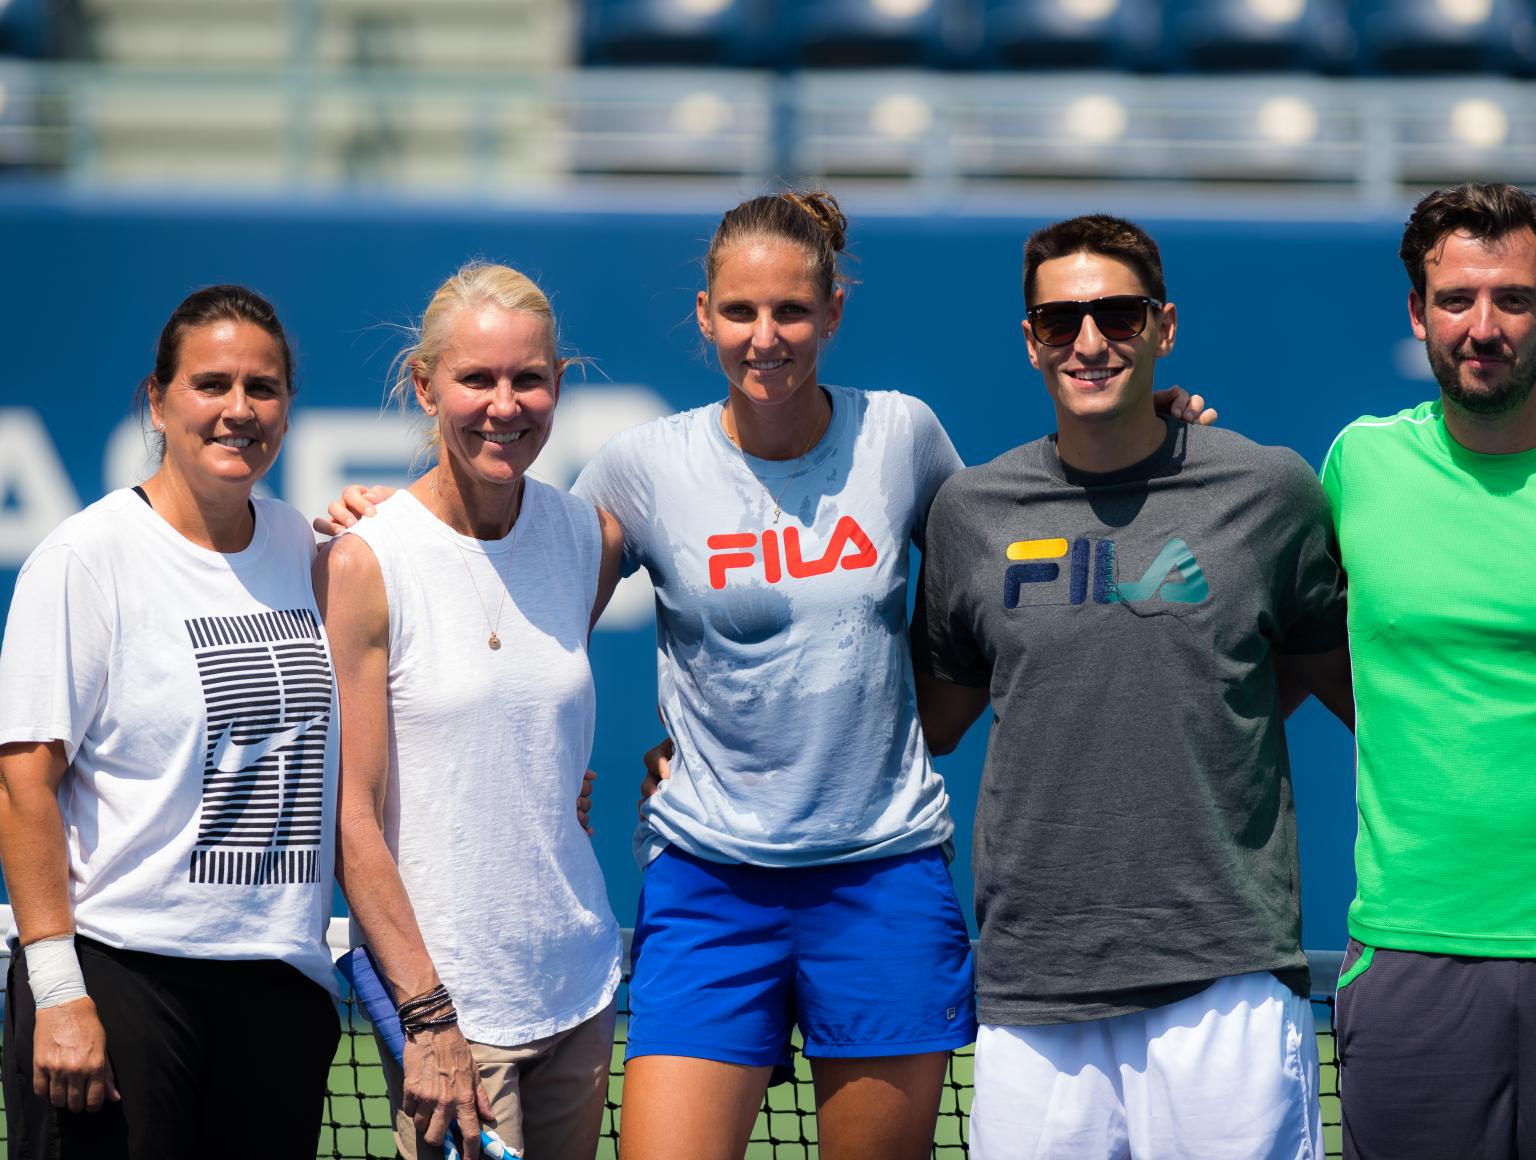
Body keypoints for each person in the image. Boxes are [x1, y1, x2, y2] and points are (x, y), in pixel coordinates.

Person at [323, 193, 1214, 1160]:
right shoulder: (641, 468)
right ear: (704, 316)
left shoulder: (902, 437)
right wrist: (395, 524)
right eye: (741, 312)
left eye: (791, 311)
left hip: (883, 879)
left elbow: (1021, 528)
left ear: (832, 313)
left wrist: (1146, 428)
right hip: (707, 887)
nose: (766, 337)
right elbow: (506, 592)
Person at [912, 214, 1353, 1160]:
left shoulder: (1270, 492)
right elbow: (932, 720)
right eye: (1060, 320)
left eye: (1118, 315)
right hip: (1033, 988)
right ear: (1030, 339)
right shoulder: (970, 511)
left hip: (1226, 980)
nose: (1089, 341)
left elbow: (1353, 687)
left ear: (1164, 326)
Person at [0, 286, 341, 1159]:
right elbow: (24, 784)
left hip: (278, 991)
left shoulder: (312, 553)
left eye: (262, 388)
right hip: (121, 982)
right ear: (157, 401)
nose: (239, 410)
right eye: (211, 384)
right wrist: (58, 991)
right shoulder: (85, 559)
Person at [315, 262, 626, 1160]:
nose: (504, 405)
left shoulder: (591, 539)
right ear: (425, 387)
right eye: (475, 379)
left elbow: (526, 735)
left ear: (558, 383)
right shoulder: (365, 560)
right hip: (451, 1016)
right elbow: (351, 818)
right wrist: (428, 1016)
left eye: (528, 378)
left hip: (580, 990)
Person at [1320, 182, 1536, 1160]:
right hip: (1412, 956)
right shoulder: (1357, 467)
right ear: (1419, 313)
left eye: (1514, 298)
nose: (1483, 327)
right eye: (1457, 299)